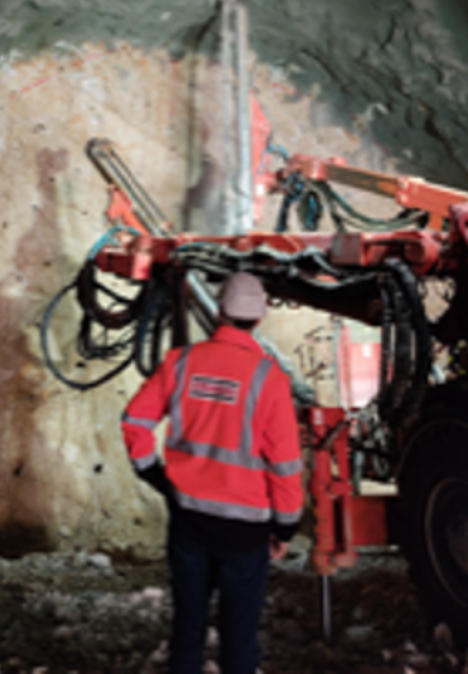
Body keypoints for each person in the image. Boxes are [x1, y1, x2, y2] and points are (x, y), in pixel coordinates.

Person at [121, 272, 303, 674]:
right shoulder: (269, 379)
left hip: (189, 518)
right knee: (239, 635)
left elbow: (134, 421)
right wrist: (286, 526)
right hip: (246, 530)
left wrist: (154, 474)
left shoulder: (181, 363)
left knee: (188, 627)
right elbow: (285, 464)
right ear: (259, 317)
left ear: (220, 312)